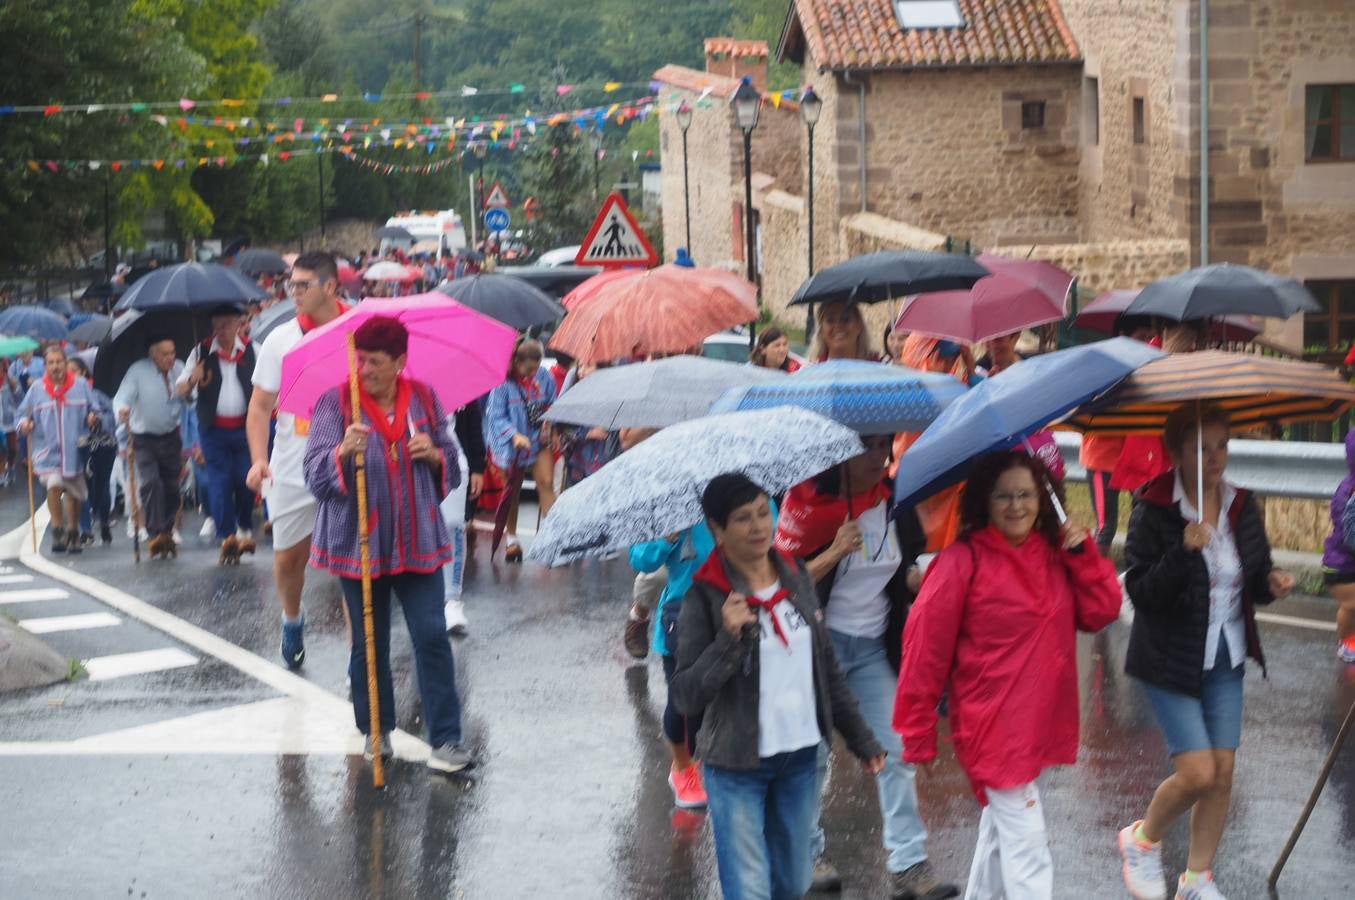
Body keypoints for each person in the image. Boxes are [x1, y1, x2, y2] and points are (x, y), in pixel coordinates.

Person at [894, 451, 1121, 900]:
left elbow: (1102, 611)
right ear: (985, 501)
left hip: (1039, 721)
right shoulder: (961, 562)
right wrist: (916, 732)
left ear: (1043, 499)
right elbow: (923, 653)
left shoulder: (1055, 554)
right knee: (1028, 843)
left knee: (1003, 830)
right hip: (991, 727)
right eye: (1004, 496)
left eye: (1025, 495)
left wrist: (1083, 555)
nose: (1016, 506)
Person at [671, 472, 886, 900]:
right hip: (735, 765)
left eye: (762, 513)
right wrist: (728, 639)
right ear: (717, 529)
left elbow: (825, 667)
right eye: (742, 518)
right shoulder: (706, 597)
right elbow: (685, 695)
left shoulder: (795, 575)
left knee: (792, 884)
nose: (758, 526)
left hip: (800, 758)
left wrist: (862, 739)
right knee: (749, 888)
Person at [1116, 403, 1295, 900]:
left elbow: (1253, 574)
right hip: (1168, 658)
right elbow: (1142, 591)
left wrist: (1271, 582)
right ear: (1175, 453)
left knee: (1223, 773)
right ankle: (1142, 840)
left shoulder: (1240, 503)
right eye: (1201, 448)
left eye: (1222, 445)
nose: (1214, 458)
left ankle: (1196, 880)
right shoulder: (1154, 506)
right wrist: (1182, 551)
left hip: (1226, 654)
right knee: (1198, 773)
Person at [776, 437, 956, 899]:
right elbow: (779, 585)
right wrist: (834, 551)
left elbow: (905, 564)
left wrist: (918, 577)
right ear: (840, 454)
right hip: (821, 649)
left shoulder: (895, 500)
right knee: (814, 756)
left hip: (874, 648)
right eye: (867, 448)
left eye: (883, 445)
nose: (880, 457)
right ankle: (807, 854)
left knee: (895, 750)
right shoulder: (809, 505)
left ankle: (908, 862)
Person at [303, 315, 471, 774]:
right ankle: (375, 731)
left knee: (431, 635)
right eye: (360, 360)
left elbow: (450, 460)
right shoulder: (337, 403)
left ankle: (447, 739)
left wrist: (433, 454)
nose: (365, 370)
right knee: (369, 642)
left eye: (375, 362)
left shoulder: (424, 398)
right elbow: (314, 473)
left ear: (400, 361)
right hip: (359, 543)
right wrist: (341, 452)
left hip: (417, 539)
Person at [248, 251, 350, 667]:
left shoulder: (357, 331)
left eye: (303, 285)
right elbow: (259, 407)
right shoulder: (281, 340)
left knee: (353, 563)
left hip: (349, 459)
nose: (294, 292)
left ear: (330, 286)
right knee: (290, 558)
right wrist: (259, 459)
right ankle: (292, 618)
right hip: (293, 463)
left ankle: (358, 657)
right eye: (291, 284)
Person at [177, 305, 257, 564]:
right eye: (217, 325)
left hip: (246, 428)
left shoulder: (253, 350)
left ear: (238, 324)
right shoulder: (200, 352)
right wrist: (193, 379)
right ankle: (227, 536)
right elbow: (180, 390)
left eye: (227, 324)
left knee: (245, 479)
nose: (222, 330)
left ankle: (243, 524)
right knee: (219, 482)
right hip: (213, 430)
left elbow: (268, 382)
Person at [17, 345, 100, 554]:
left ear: (65, 363)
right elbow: (22, 414)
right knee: (53, 485)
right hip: (47, 450)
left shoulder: (81, 386)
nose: (55, 367)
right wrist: (25, 424)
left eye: (59, 362)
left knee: (73, 492)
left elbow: (95, 409)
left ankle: (73, 531)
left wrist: (93, 418)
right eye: (51, 363)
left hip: (75, 450)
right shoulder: (37, 389)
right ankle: (57, 528)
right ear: (45, 366)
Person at [483, 336, 557, 562]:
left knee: (546, 482)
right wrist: (514, 435)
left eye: (536, 368)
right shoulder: (502, 383)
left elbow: (552, 403)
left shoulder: (545, 376)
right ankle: (512, 539)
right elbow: (495, 416)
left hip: (538, 439)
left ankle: (556, 536)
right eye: (528, 369)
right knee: (512, 492)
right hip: (511, 445)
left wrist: (550, 424)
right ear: (516, 362)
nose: (533, 374)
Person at [113, 335, 185, 559]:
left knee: (172, 486)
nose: (170, 358)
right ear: (153, 355)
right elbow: (121, 397)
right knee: (151, 482)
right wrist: (122, 409)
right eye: (164, 354)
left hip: (171, 435)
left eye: (172, 352)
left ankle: (167, 529)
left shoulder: (180, 368)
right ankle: (156, 532)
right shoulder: (137, 371)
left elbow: (191, 398)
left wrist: (192, 383)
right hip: (143, 438)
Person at [441, 400, 485, 635]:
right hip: (407, 466)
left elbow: (473, 423)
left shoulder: (456, 384)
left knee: (453, 526)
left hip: (453, 464)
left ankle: (452, 600)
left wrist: (478, 466)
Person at [69, 357, 117, 546]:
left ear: (83, 372)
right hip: (78, 445)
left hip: (102, 446)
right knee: (80, 485)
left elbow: (111, 417)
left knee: (101, 484)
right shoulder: (64, 395)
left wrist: (97, 419)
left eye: (74, 371)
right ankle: (86, 529)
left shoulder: (96, 393)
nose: (70, 375)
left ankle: (104, 521)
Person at [1323, 427, 1355, 664]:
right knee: (1351, 604)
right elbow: (1347, 533)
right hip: (1341, 565)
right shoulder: (1349, 490)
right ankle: (1346, 644)